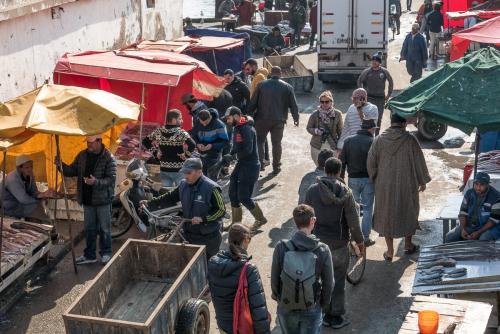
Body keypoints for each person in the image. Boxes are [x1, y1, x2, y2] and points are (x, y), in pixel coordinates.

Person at [305, 157, 364, 329]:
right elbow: (353, 222)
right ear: (340, 172)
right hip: (339, 245)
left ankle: (319, 313)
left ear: (324, 169)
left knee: (318, 279)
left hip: (317, 244)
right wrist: (360, 242)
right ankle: (335, 317)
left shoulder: (312, 190)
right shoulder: (346, 193)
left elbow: (305, 216)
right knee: (338, 281)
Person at [367, 113, 431, 262]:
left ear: (391, 122)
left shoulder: (379, 140)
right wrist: (422, 181)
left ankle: (389, 251)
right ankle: (408, 245)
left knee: (385, 213)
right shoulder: (410, 140)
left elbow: (370, 163)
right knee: (409, 210)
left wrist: (376, 178)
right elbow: (419, 161)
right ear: (404, 124)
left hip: (384, 185)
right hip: (407, 184)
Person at [142, 158, 226, 260]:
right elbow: (170, 197)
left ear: (199, 172)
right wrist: (150, 203)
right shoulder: (183, 184)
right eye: (184, 172)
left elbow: (221, 210)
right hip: (188, 234)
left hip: (208, 237)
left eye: (188, 173)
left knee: (206, 266)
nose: (185, 176)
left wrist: (203, 219)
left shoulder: (211, 188)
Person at [271, 204, 334, 334]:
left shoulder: (281, 247)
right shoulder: (322, 249)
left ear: (295, 221)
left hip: (286, 305)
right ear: (313, 221)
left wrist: (279, 298)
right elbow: (329, 283)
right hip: (311, 306)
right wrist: (322, 304)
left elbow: (274, 279)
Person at [56, 135, 116, 264]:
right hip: (87, 199)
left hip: (102, 200)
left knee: (105, 229)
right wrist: (61, 165)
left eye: (91, 143)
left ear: (99, 141)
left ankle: (106, 253)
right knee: (89, 228)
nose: (89, 145)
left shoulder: (108, 158)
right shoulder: (82, 155)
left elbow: (111, 179)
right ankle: (90, 255)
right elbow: (72, 170)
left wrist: (96, 182)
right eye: (87, 143)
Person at [208, 224, 271, 334]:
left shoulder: (213, 263)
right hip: (243, 326)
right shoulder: (249, 269)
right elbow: (258, 307)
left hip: (223, 325)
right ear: (246, 239)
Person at [247, 66, 300, 175]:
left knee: (259, 141)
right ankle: (276, 167)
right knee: (276, 143)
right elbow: (293, 105)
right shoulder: (287, 87)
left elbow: (253, 102)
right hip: (279, 120)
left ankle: (260, 165)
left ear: (270, 74)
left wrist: (249, 115)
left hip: (262, 119)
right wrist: (296, 118)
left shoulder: (261, 85)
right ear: (280, 74)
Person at [224, 107, 267, 233]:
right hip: (241, 164)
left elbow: (247, 150)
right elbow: (236, 146)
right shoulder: (237, 127)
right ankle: (236, 223)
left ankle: (260, 219)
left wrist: (233, 156)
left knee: (244, 197)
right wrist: (229, 156)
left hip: (250, 166)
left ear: (236, 116)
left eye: (229, 118)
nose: (227, 121)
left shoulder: (247, 129)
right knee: (233, 193)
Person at [339, 119, 378, 246]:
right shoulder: (373, 142)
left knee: (353, 209)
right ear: (370, 129)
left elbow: (342, 162)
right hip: (368, 180)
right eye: (374, 129)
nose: (374, 131)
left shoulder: (349, 141)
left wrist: (341, 180)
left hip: (353, 179)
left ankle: (354, 237)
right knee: (367, 209)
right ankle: (365, 238)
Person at [142, 110, 196, 187]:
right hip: (179, 170)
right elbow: (192, 145)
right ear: (174, 120)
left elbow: (145, 141)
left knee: (166, 194)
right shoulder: (181, 132)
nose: (182, 121)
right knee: (181, 193)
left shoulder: (158, 131)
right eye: (180, 119)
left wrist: (155, 153)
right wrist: (186, 155)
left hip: (164, 169)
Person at [445, 172, 500, 242]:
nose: (478, 187)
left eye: (482, 185)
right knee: (450, 237)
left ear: (487, 185)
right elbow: (463, 213)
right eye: (476, 184)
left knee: (483, 239)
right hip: (471, 225)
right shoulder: (469, 193)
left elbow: (493, 220)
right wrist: (462, 229)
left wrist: (478, 232)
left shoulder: (496, 197)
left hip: (490, 228)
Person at [0, 155, 53, 221]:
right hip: (7, 207)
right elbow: (23, 199)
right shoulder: (12, 179)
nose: (30, 169)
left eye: (31, 167)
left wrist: (43, 194)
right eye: (27, 167)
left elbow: (34, 192)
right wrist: (38, 200)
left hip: (19, 204)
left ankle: (42, 222)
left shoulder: (30, 175)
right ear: (19, 168)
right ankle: (43, 223)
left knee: (41, 204)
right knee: (36, 206)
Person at [357, 54, 394, 131]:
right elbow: (359, 81)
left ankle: (376, 137)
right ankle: (368, 135)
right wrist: (362, 94)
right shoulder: (367, 72)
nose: (374, 62)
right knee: (368, 118)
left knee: (378, 119)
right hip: (369, 98)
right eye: (373, 60)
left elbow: (391, 81)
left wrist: (388, 94)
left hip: (380, 99)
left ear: (379, 62)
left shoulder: (384, 71)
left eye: (376, 61)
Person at [191, 109, 230, 181]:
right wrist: (198, 144)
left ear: (210, 117)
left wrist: (212, 146)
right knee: (201, 178)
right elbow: (193, 136)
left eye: (206, 122)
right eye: (202, 123)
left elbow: (225, 142)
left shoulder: (219, 125)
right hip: (201, 155)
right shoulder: (198, 123)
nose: (204, 125)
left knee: (211, 179)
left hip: (214, 156)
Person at [306, 90, 343, 165]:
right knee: (319, 167)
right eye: (322, 102)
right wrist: (316, 131)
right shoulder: (315, 114)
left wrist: (340, 146)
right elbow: (309, 127)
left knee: (332, 167)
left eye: (327, 101)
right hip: (317, 146)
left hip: (332, 145)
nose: (324, 104)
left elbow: (340, 131)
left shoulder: (337, 114)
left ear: (331, 102)